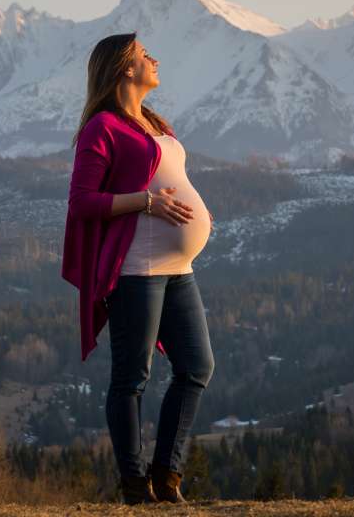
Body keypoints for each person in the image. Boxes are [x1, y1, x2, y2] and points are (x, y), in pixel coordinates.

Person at [61, 32, 216, 505]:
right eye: (145, 54)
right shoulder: (101, 128)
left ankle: (166, 474)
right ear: (125, 69)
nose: (155, 58)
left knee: (196, 366)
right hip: (137, 269)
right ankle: (134, 485)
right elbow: (82, 202)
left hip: (178, 266)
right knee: (131, 378)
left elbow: (172, 177)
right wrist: (146, 203)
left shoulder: (151, 121)